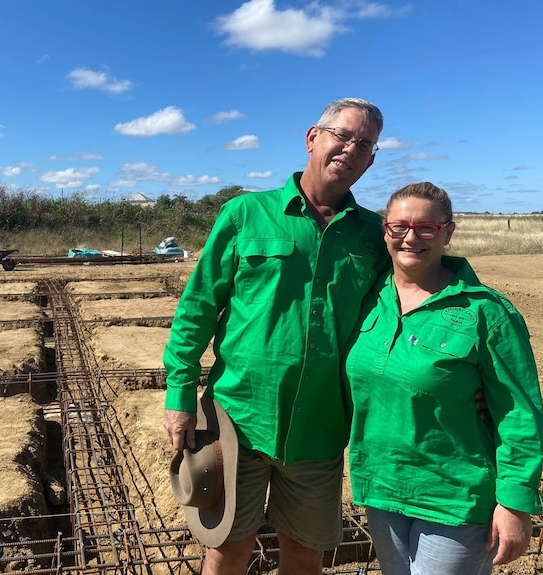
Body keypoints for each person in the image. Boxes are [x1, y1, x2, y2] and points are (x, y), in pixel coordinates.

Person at [162, 97, 388, 575]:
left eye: (364, 144)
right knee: (228, 549)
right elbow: (198, 306)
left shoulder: (374, 235)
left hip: (321, 428)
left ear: (371, 160)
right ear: (313, 138)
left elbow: (411, 292)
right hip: (238, 418)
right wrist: (179, 392)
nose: (350, 148)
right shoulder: (246, 214)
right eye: (342, 136)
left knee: (306, 552)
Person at [344, 182, 543, 574]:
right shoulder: (369, 297)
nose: (410, 237)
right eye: (399, 227)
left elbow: (520, 414)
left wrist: (516, 504)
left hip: (455, 496)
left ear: (448, 233)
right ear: (385, 230)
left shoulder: (486, 312)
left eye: (427, 228)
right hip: (381, 487)